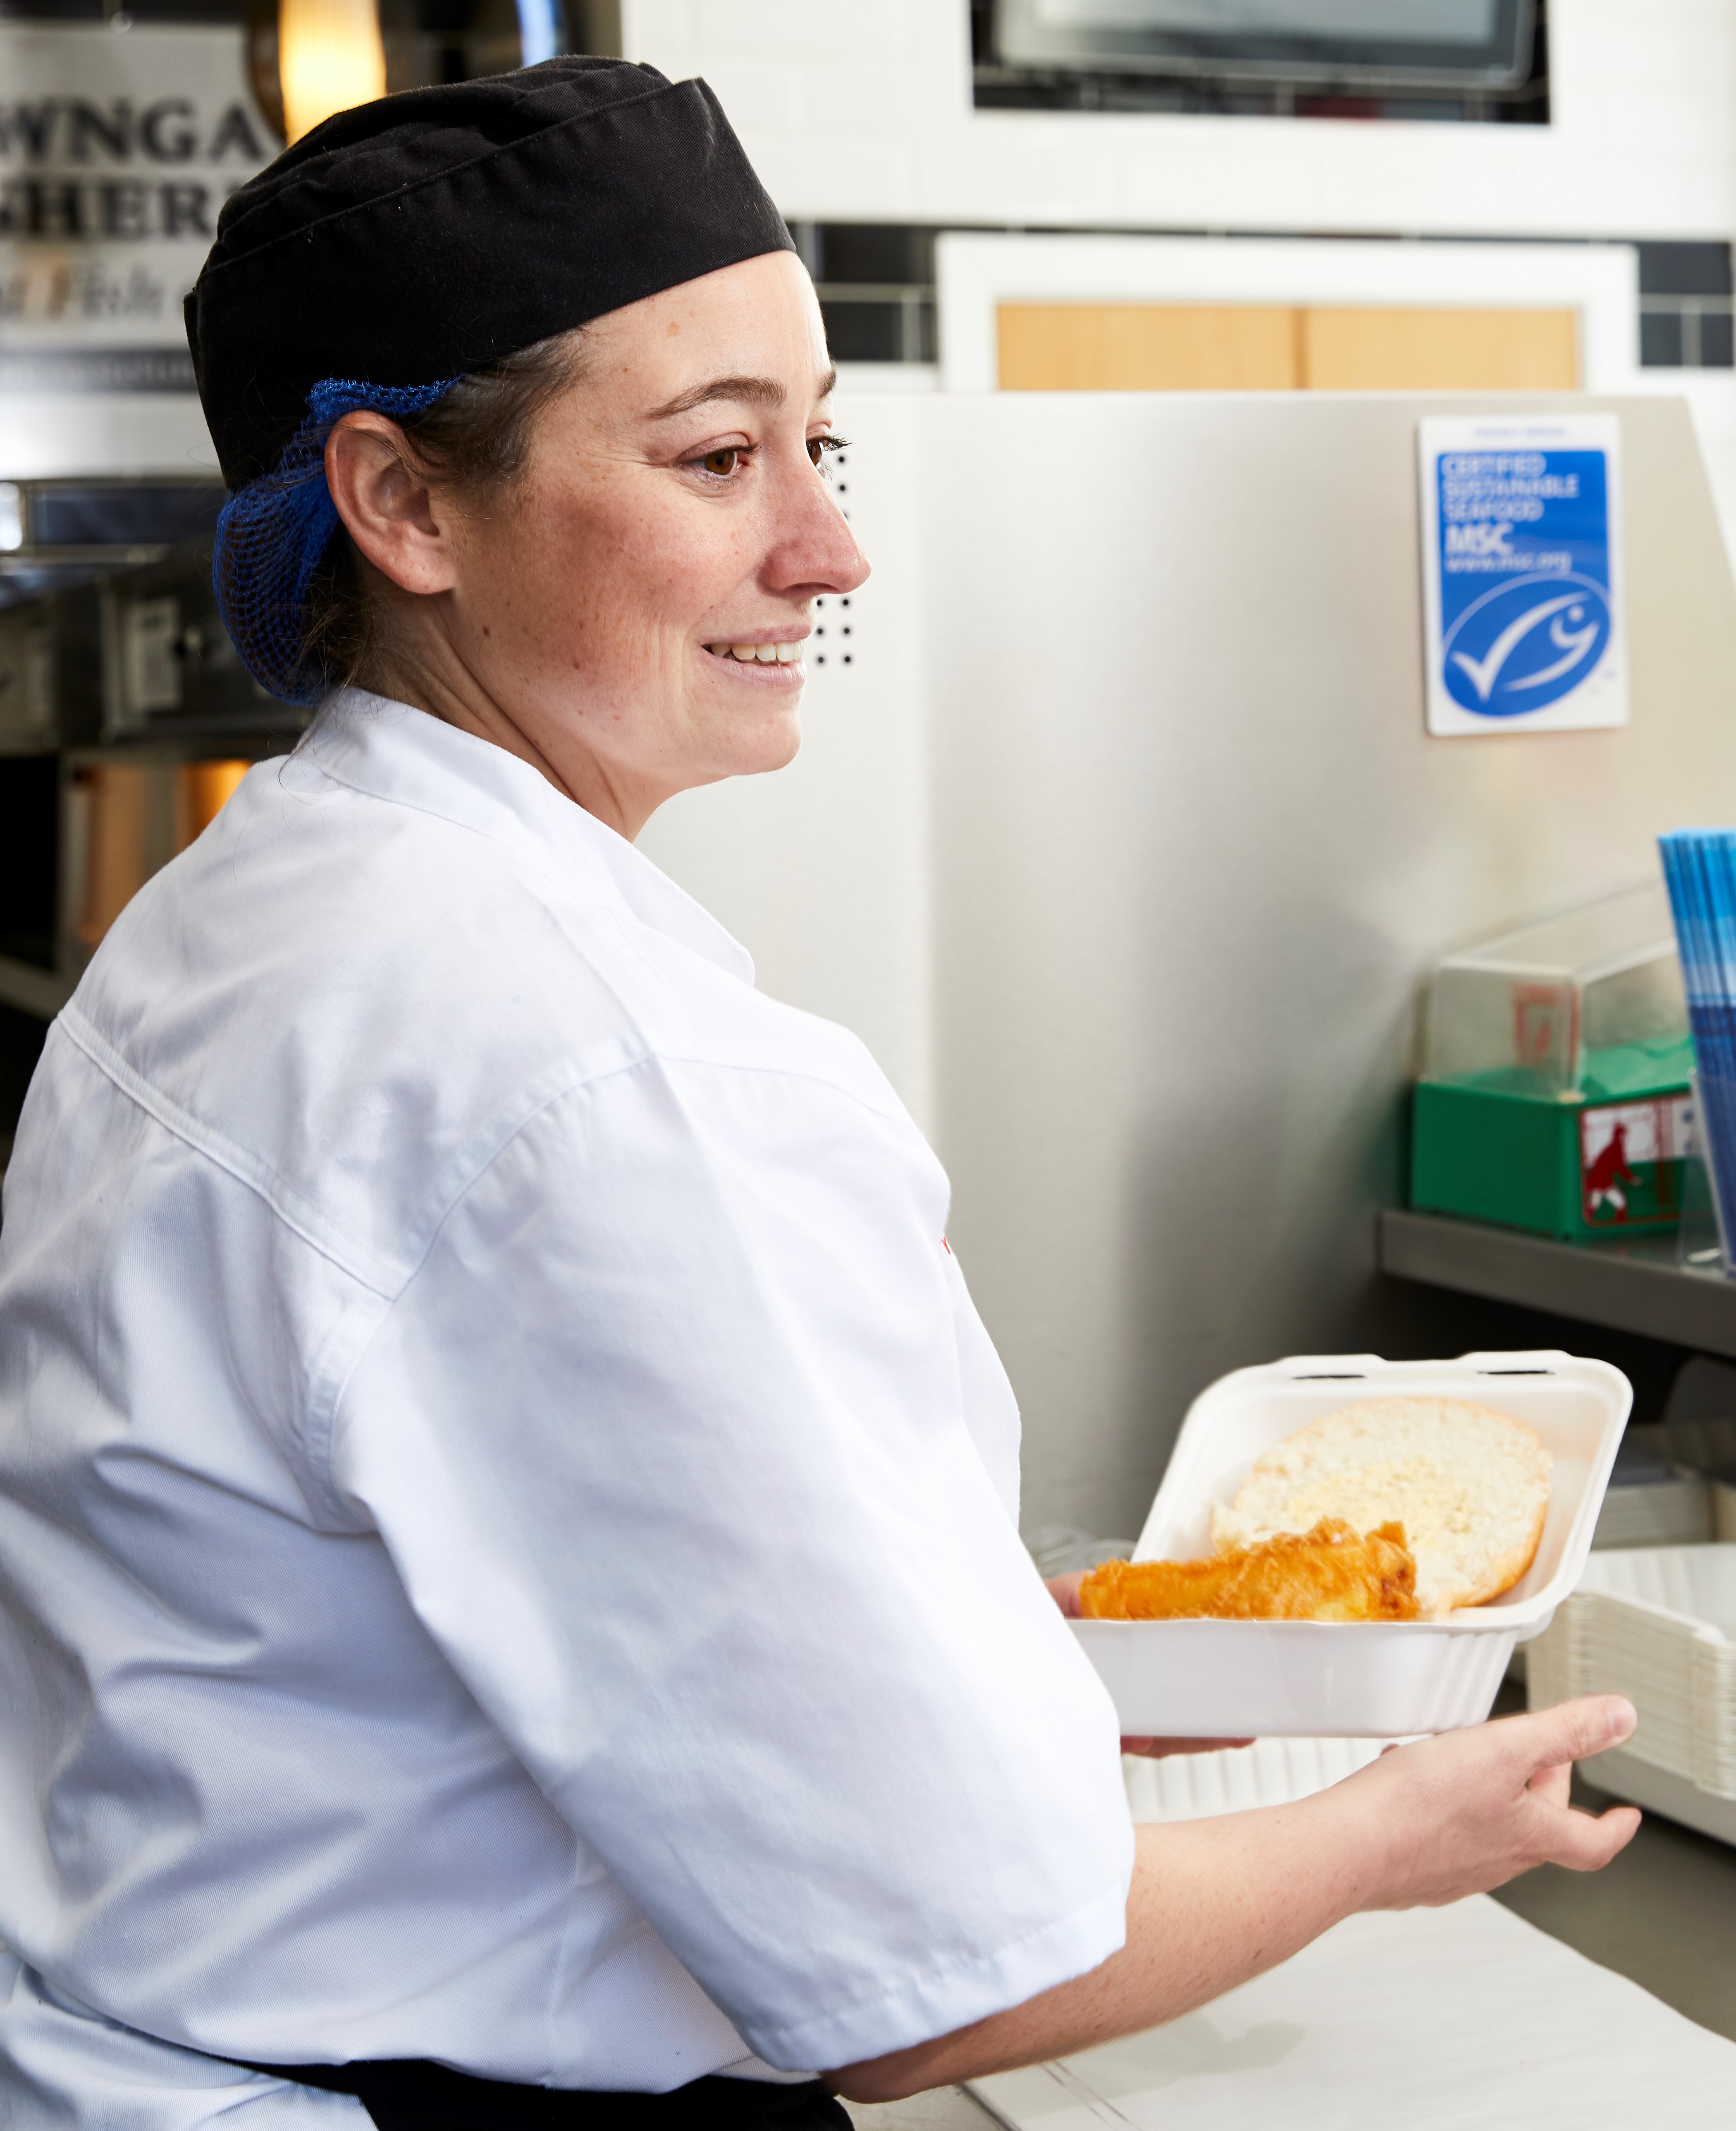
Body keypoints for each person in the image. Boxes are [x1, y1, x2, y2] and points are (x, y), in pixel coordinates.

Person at [0, 57, 1638, 2131]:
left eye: (822, 443)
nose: (833, 545)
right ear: (404, 504)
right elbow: (941, 1978)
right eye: (716, 457)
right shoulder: (574, 1061)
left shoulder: (231, 921)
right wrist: (1395, 1826)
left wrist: (950, 1648)